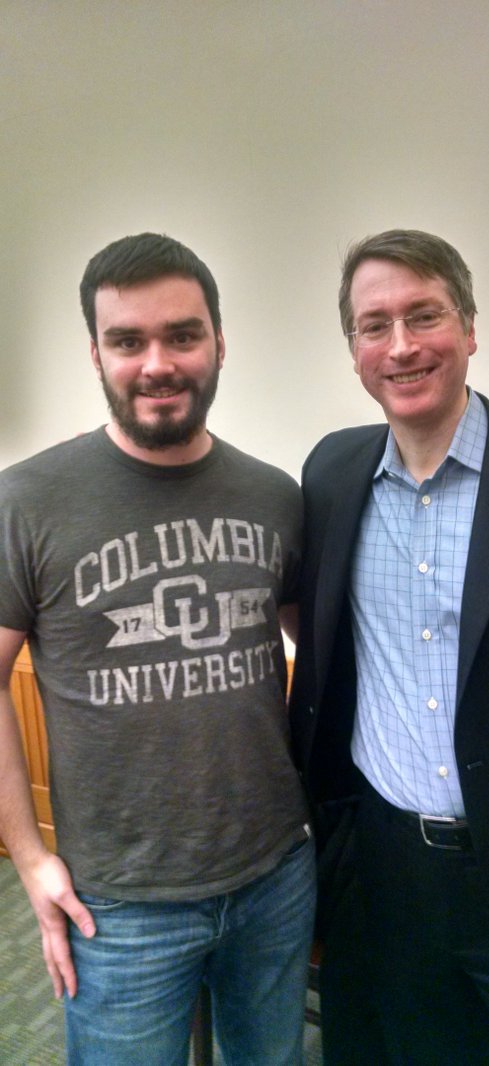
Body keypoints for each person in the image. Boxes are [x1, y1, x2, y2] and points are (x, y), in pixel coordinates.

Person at [0, 232, 316, 1066]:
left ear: (219, 340)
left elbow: (322, 656)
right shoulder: (26, 501)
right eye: (128, 340)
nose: (157, 363)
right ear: (95, 352)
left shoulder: (276, 496)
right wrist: (30, 858)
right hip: (120, 903)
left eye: (182, 334)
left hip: (275, 875)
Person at [289, 229, 489, 1065]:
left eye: (423, 315)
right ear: (352, 349)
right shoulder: (330, 473)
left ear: (468, 326)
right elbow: (315, 628)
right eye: (373, 324)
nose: (400, 346)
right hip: (391, 872)